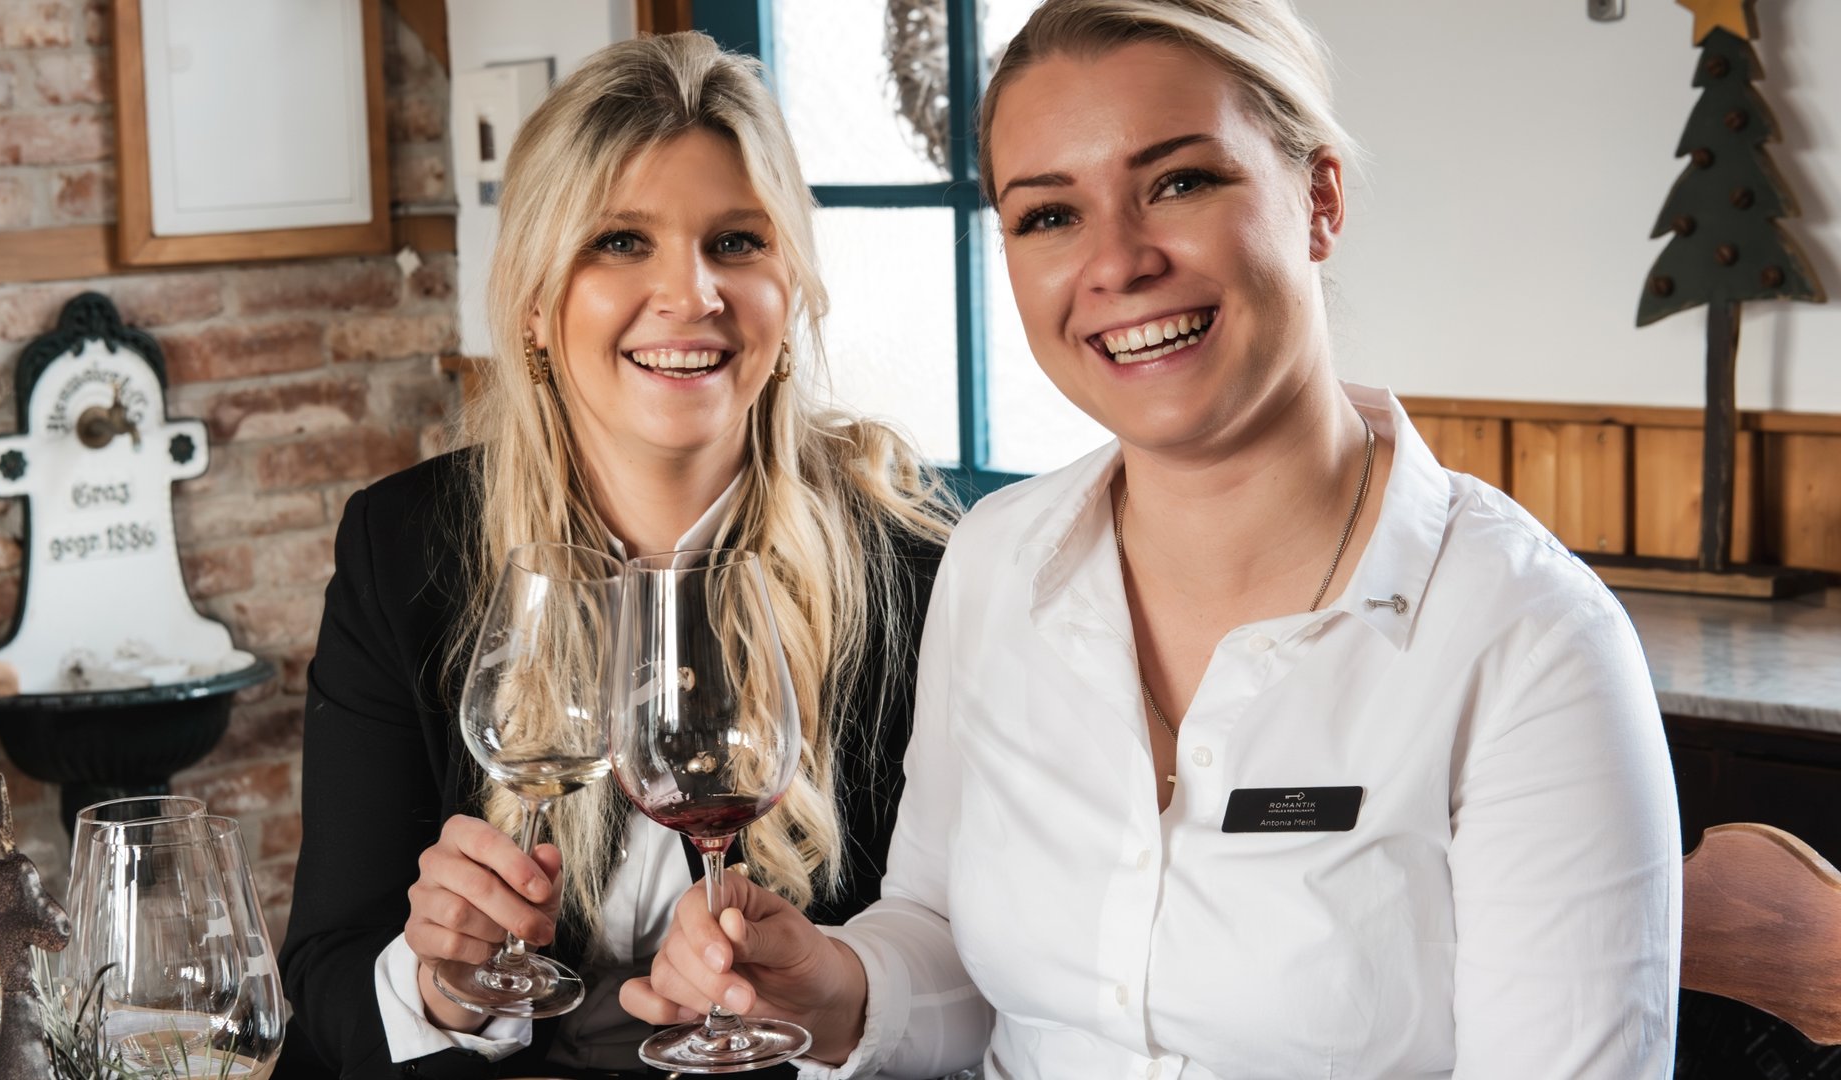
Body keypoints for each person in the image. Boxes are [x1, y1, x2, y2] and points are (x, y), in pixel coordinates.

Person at [620, 1, 1684, 1076]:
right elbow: (950, 947)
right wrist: (839, 984)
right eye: (1050, 215)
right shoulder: (995, 561)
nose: (1118, 262)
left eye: (1179, 183)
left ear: (1319, 200)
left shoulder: (1532, 638)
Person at [278, 31, 952, 1080]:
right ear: (537, 304)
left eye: (736, 241)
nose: (691, 294)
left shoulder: (913, 569)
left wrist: (831, 993)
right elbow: (325, 978)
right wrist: (438, 987)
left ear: (791, 288)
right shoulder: (404, 545)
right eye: (622, 242)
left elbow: (977, 978)